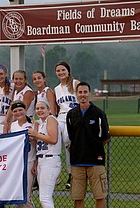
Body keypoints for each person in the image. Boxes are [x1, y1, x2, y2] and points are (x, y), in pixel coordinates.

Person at [66, 82, 110, 208]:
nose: (82, 95)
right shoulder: (71, 114)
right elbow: (72, 136)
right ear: (76, 94)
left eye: (85, 92)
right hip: (77, 161)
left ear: (89, 94)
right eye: (80, 92)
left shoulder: (98, 113)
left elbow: (105, 138)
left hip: (95, 161)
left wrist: (93, 149)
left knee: (100, 196)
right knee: (77, 197)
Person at [28, 100, 61, 208]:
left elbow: (53, 139)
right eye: (37, 108)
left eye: (42, 108)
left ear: (49, 109)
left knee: (45, 198)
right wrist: (33, 136)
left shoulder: (50, 119)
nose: (39, 110)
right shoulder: (39, 123)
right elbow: (37, 143)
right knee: (44, 197)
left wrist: (36, 134)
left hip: (51, 160)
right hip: (42, 160)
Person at [54, 61, 80, 189]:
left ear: (68, 71)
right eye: (58, 71)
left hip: (74, 116)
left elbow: (84, 99)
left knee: (67, 140)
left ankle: (71, 173)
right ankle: (54, 174)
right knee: (54, 140)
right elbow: (58, 108)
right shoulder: (57, 89)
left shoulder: (75, 83)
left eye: (63, 70)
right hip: (61, 117)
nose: (61, 72)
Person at [9, 100, 36, 208]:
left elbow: (38, 145)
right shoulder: (12, 126)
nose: (18, 112)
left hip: (29, 161)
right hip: (16, 164)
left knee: (25, 196)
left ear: (25, 110)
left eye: (20, 110)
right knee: (17, 196)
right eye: (15, 111)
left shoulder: (32, 124)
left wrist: (36, 163)